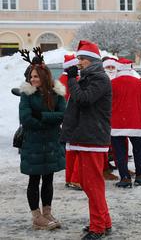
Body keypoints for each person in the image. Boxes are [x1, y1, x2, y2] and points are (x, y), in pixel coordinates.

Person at [60, 40, 112, 240]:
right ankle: (103, 221)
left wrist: (72, 80)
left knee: (92, 184)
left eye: (81, 58)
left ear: (92, 61)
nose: (78, 62)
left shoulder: (99, 78)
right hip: (85, 136)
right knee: (88, 182)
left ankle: (98, 227)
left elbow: (83, 99)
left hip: (92, 138)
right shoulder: (90, 77)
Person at [19, 59, 66, 230]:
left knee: (48, 179)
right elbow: (26, 119)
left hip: (51, 143)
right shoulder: (27, 94)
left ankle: (47, 213)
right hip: (33, 144)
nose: (33, 79)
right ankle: (36, 216)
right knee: (34, 179)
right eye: (31, 76)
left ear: (45, 77)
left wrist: (42, 116)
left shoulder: (57, 94)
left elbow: (63, 114)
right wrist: (48, 121)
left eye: (36, 76)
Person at [111, 58, 141, 187]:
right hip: (136, 121)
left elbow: (107, 104)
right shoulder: (139, 83)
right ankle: (140, 175)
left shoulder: (112, 83)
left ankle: (124, 177)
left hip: (117, 123)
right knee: (138, 150)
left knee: (120, 152)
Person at [58, 54, 82, 190]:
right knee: (79, 150)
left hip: (65, 119)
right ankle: (76, 179)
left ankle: (69, 178)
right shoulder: (77, 80)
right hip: (75, 118)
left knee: (70, 150)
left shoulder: (60, 80)